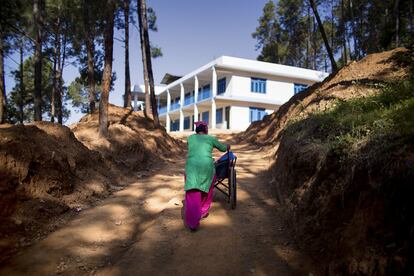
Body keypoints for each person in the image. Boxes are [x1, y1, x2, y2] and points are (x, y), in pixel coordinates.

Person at [184, 121, 229, 231]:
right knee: (208, 187)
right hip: (206, 167)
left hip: (191, 167)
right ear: (205, 129)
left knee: (192, 191)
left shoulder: (190, 138)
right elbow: (223, 148)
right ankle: (203, 210)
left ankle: (192, 223)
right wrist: (228, 146)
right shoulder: (211, 138)